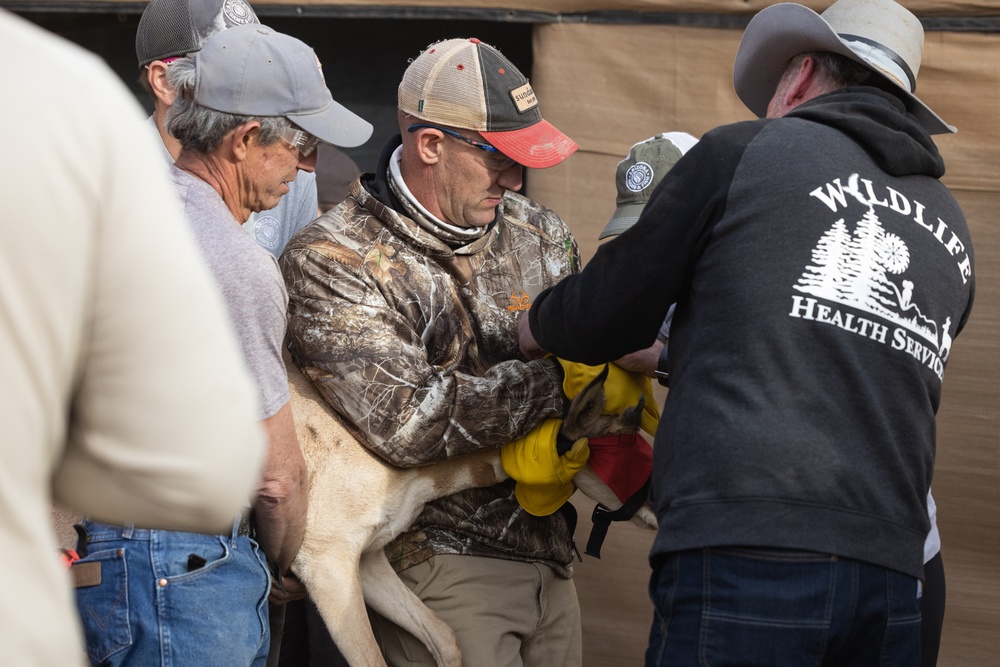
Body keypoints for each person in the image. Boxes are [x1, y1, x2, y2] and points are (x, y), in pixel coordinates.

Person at [519, 0, 975, 664]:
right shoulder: (951, 224)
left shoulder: (747, 149)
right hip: (895, 566)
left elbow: (610, 310)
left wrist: (533, 325)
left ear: (801, 75)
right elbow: (839, 348)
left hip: (753, 547)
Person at [280, 36, 646, 667]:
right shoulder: (333, 261)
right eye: (498, 156)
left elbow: (601, 400)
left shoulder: (544, 234)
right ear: (431, 146)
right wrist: (565, 378)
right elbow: (409, 425)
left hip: (552, 562)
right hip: (437, 567)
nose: (516, 176)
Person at [73, 24, 373, 666]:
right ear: (244, 141)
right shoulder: (233, 263)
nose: (308, 169)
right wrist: (281, 560)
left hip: (104, 554)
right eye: (304, 146)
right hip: (184, 567)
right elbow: (276, 476)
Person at [0, 8, 268, 665]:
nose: (250, 87)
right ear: (163, 80)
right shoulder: (83, 160)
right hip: (107, 539)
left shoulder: (280, 173)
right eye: (229, 68)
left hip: (240, 546)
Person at [136, 0, 320, 257]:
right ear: (165, 81)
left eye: (259, 63)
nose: (250, 79)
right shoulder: (116, 175)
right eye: (227, 66)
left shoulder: (291, 175)